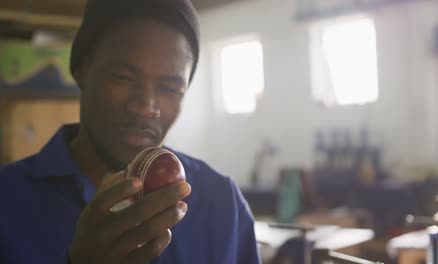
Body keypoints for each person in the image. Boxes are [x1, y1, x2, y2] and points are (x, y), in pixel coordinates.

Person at [0, 0, 260, 263]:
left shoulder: (221, 203)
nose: (145, 107)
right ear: (80, 69)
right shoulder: (7, 199)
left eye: (170, 88)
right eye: (122, 77)